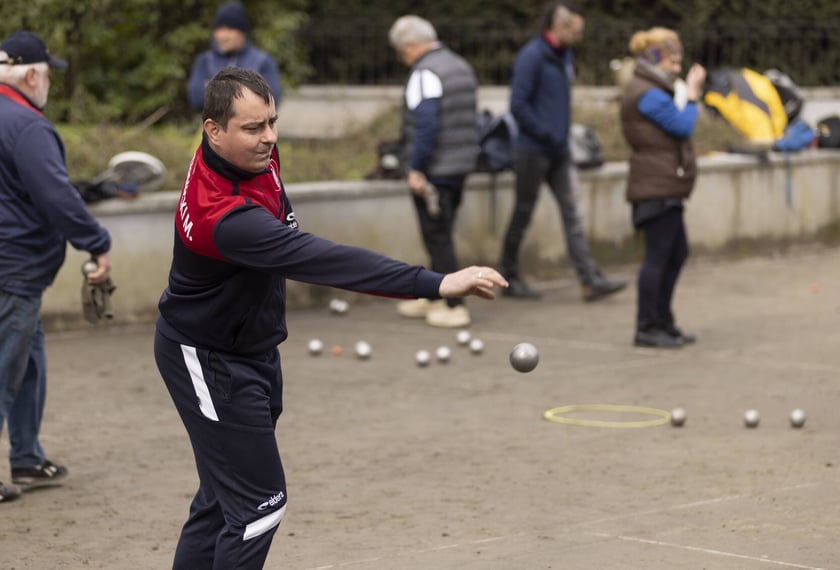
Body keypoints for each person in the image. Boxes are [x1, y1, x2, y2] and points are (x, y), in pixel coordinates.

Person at [153, 67, 506, 569]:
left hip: (248, 346)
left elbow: (283, 213)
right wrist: (437, 282)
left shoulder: (249, 155)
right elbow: (325, 260)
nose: (269, 138)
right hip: (208, 358)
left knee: (221, 497)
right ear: (213, 130)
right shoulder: (225, 218)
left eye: (271, 122)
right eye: (254, 128)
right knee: (259, 505)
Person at [0, 31, 112, 502]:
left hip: (14, 268)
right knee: (6, 368)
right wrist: (96, 242)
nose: (49, 84)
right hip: (15, 268)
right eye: (47, 74)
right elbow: (53, 195)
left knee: (29, 364)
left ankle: (26, 458)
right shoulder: (27, 125)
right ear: (30, 74)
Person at [500, 1, 626, 302]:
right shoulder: (532, 57)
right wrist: (545, 132)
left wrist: (560, 136)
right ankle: (508, 275)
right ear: (559, 26)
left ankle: (589, 279)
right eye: (577, 30)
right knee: (523, 213)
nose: (580, 37)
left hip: (559, 151)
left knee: (573, 215)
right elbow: (518, 105)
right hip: (532, 151)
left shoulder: (564, 56)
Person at [388, 15, 480, 328]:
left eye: (403, 52)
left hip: (435, 170)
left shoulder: (425, 72)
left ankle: (454, 304)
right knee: (442, 234)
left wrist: (415, 168)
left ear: (412, 46)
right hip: (460, 166)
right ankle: (433, 295)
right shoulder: (460, 66)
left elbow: (426, 124)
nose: (405, 59)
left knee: (437, 238)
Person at [619, 27, 706, 348]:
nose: (678, 65)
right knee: (657, 257)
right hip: (654, 185)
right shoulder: (648, 93)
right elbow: (682, 127)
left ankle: (663, 321)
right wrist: (693, 94)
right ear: (656, 58)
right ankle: (647, 326)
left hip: (664, 183)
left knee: (676, 253)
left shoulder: (654, 88)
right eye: (673, 58)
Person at [187, 1, 282, 112]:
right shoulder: (204, 61)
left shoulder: (263, 61)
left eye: (230, 29)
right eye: (219, 29)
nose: (223, 36)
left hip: (252, 127)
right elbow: (196, 99)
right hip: (213, 128)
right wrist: (246, 92)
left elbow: (271, 100)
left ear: (243, 32)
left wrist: (213, 89)